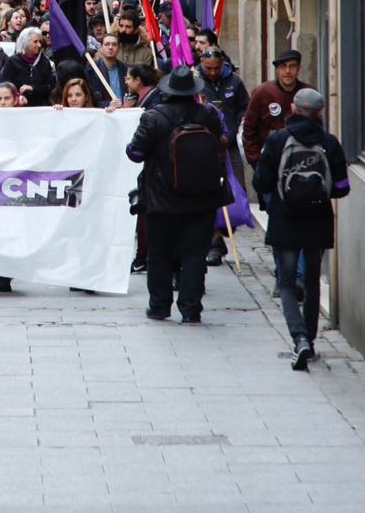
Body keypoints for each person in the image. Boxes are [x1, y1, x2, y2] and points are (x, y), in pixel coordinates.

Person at [252, 89, 349, 370]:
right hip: (317, 219)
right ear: (319, 113)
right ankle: (310, 339)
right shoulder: (329, 143)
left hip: (285, 219)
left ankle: (299, 339)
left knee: (286, 281)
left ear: (292, 108)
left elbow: (261, 183)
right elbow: (341, 188)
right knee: (312, 282)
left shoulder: (278, 140)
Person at [125, 66, 231, 324]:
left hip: (162, 198)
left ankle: (160, 306)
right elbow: (219, 143)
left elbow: (134, 153)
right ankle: (191, 308)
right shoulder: (208, 115)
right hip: (202, 197)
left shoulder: (153, 118)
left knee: (160, 253)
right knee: (194, 254)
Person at [197, 47, 249, 266]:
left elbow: (244, 109)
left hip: (230, 146)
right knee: (207, 192)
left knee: (234, 190)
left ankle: (224, 231)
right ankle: (214, 241)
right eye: (208, 68)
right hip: (205, 147)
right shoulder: (195, 81)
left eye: (216, 68)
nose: (212, 73)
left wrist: (236, 130)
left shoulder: (234, 83)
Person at [242, 49, 312, 169]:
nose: (288, 71)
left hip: (301, 161)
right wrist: (255, 160)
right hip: (269, 160)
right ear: (277, 70)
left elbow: (316, 126)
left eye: (292, 66)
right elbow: (249, 128)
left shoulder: (307, 93)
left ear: (299, 68)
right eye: (283, 67)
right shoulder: (262, 93)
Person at [0, 26, 56, 106]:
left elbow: (50, 87)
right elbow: (4, 84)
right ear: (25, 42)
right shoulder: (13, 61)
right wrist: (17, 96)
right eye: (35, 42)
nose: (39, 45)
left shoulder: (44, 62)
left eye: (40, 42)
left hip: (38, 107)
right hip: (17, 106)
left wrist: (33, 88)